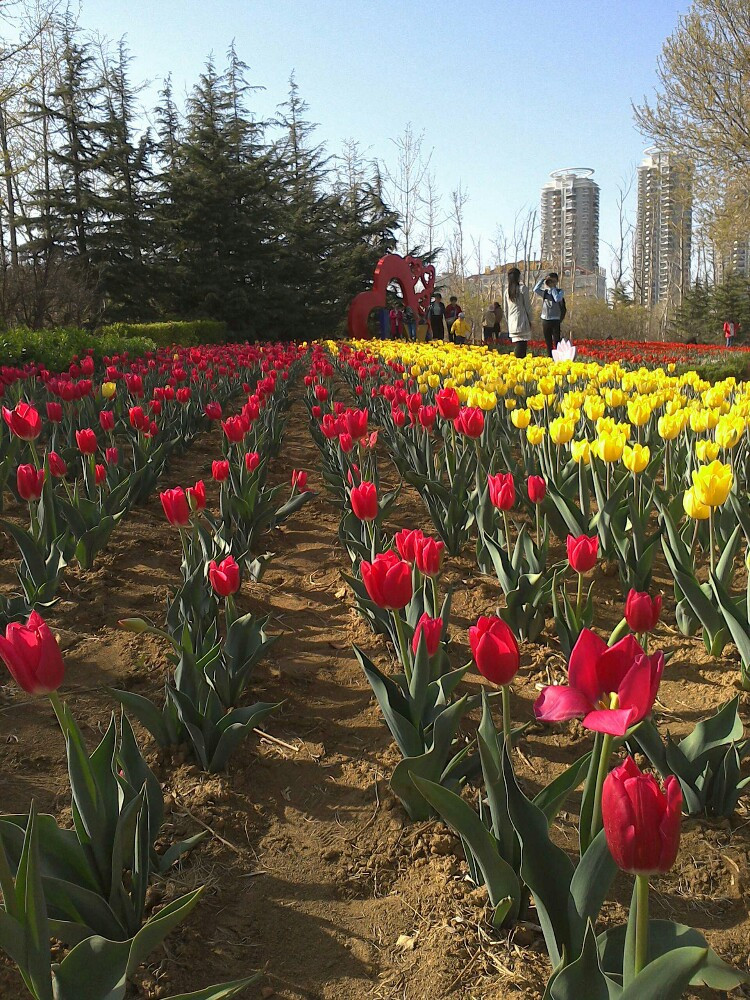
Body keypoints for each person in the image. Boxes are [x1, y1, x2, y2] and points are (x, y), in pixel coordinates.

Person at [533, 272, 565, 357]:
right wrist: (543, 279)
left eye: (553, 281)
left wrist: (553, 288)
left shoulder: (560, 291)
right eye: (550, 281)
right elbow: (535, 289)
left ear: (557, 281)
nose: (551, 282)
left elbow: (557, 299)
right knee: (548, 342)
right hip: (545, 319)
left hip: (555, 319)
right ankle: (549, 358)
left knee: (557, 341)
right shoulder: (545, 292)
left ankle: (558, 358)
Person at [504, 267, 532, 358]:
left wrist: (508, 321)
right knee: (522, 345)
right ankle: (518, 366)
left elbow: (505, 310)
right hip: (522, 319)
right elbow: (527, 307)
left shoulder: (506, 292)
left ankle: (517, 364)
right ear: (518, 277)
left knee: (518, 344)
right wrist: (530, 320)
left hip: (512, 321)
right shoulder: (522, 289)